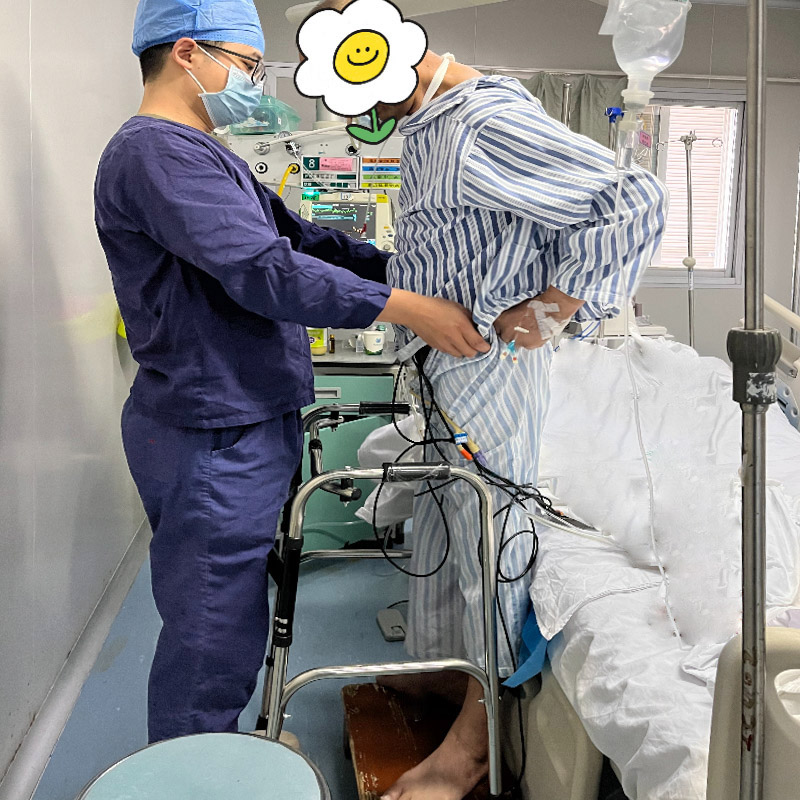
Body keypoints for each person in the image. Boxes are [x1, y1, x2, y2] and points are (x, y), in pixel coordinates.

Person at [94, 0, 489, 745]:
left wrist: (401, 270)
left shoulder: (203, 152)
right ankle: (193, 772)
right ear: (186, 53)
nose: (254, 81)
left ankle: (222, 747)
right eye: (247, 65)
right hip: (212, 429)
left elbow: (300, 240)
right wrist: (409, 308)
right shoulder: (155, 154)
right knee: (212, 624)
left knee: (233, 605)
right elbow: (263, 270)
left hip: (240, 418)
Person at [303, 4, 668, 799]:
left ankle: (474, 738)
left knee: (490, 541)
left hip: (488, 367)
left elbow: (633, 199)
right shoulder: (429, 126)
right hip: (443, 367)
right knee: (443, 524)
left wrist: (549, 311)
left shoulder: (480, 122)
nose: (356, 109)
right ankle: (447, 672)